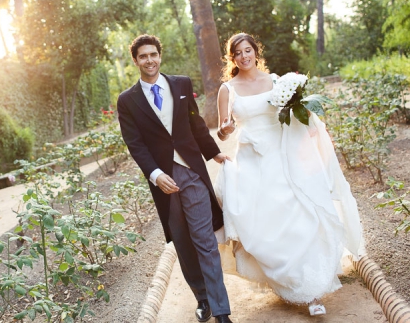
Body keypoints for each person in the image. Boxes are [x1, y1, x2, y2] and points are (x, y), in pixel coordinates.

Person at [215, 33, 365, 316]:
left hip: (281, 154)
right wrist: (226, 129)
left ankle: (312, 290)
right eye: (238, 53)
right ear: (231, 58)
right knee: (265, 225)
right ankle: (287, 281)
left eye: (248, 50)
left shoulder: (275, 82)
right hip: (251, 159)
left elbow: (290, 114)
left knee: (297, 214)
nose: (244, 56)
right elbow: (223, 129)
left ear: (256, 52)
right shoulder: (228, 90)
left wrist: (307, 127)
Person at [117, 34, 233, 323]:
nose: (149, 60)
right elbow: (135, 144)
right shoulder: (127, 101)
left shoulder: (181, 84)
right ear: (135, 61)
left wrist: (214, 153)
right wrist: (156, 176)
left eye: (153, 54)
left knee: (204, 240)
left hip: (192, 172)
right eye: (143, 56)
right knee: (183, 242)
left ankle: (221, 312)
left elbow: (195, 124)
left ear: (160, 55)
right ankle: (202, 298)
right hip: (164, 181)